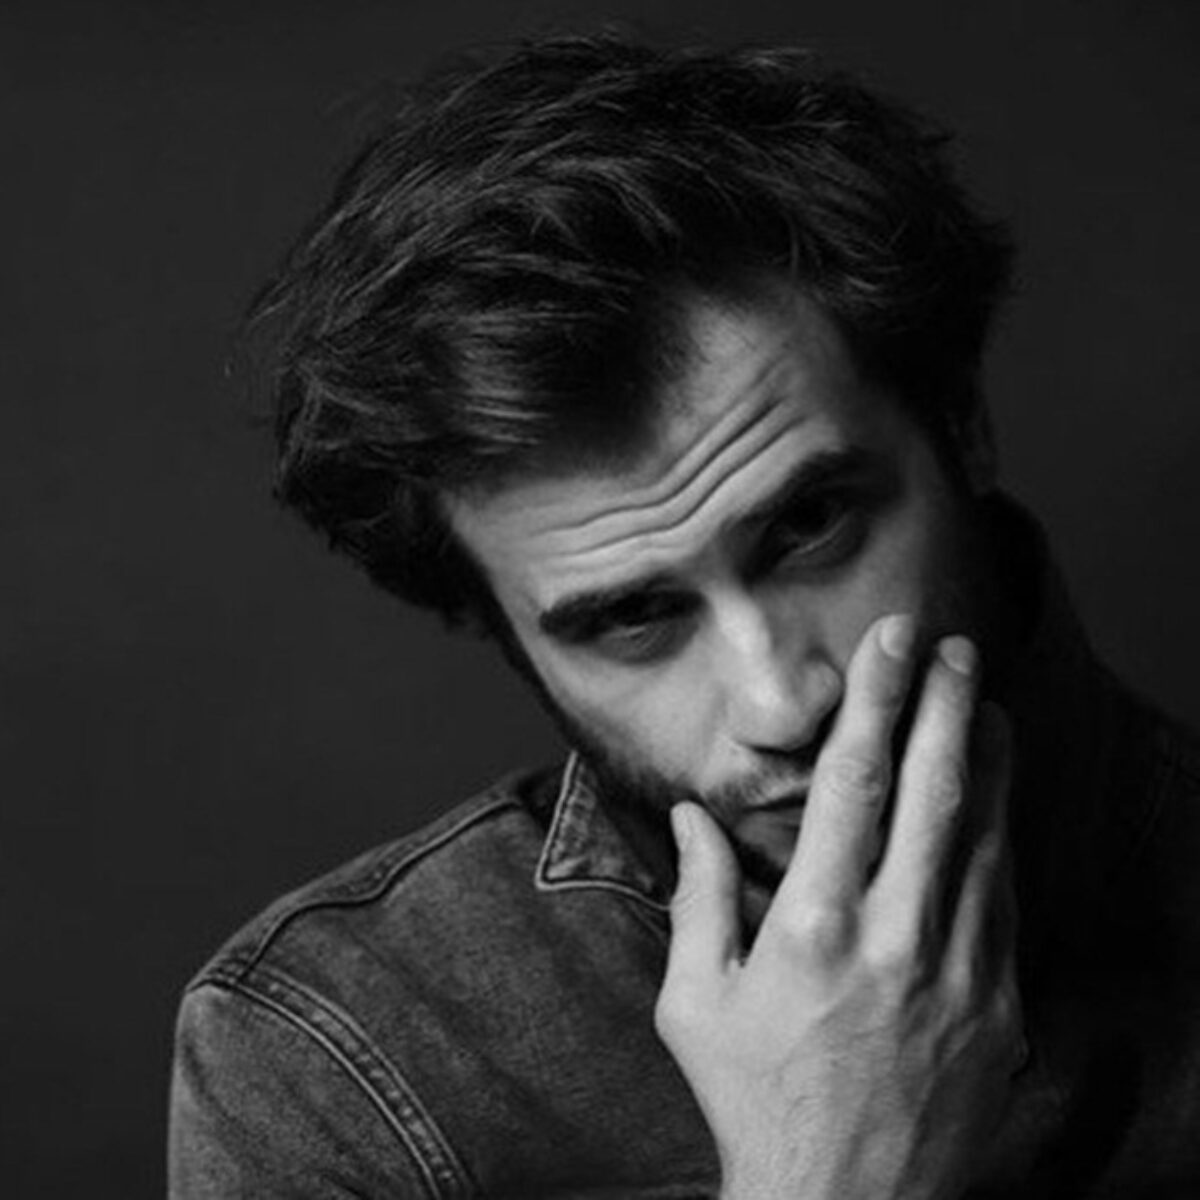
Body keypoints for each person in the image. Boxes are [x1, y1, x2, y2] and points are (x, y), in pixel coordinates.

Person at [168, 33, 1200, 1199]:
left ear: (962, 427)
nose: (782, 701)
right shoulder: (327, 1052)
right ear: (506, 637)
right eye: (635, 617)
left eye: (810, 524)